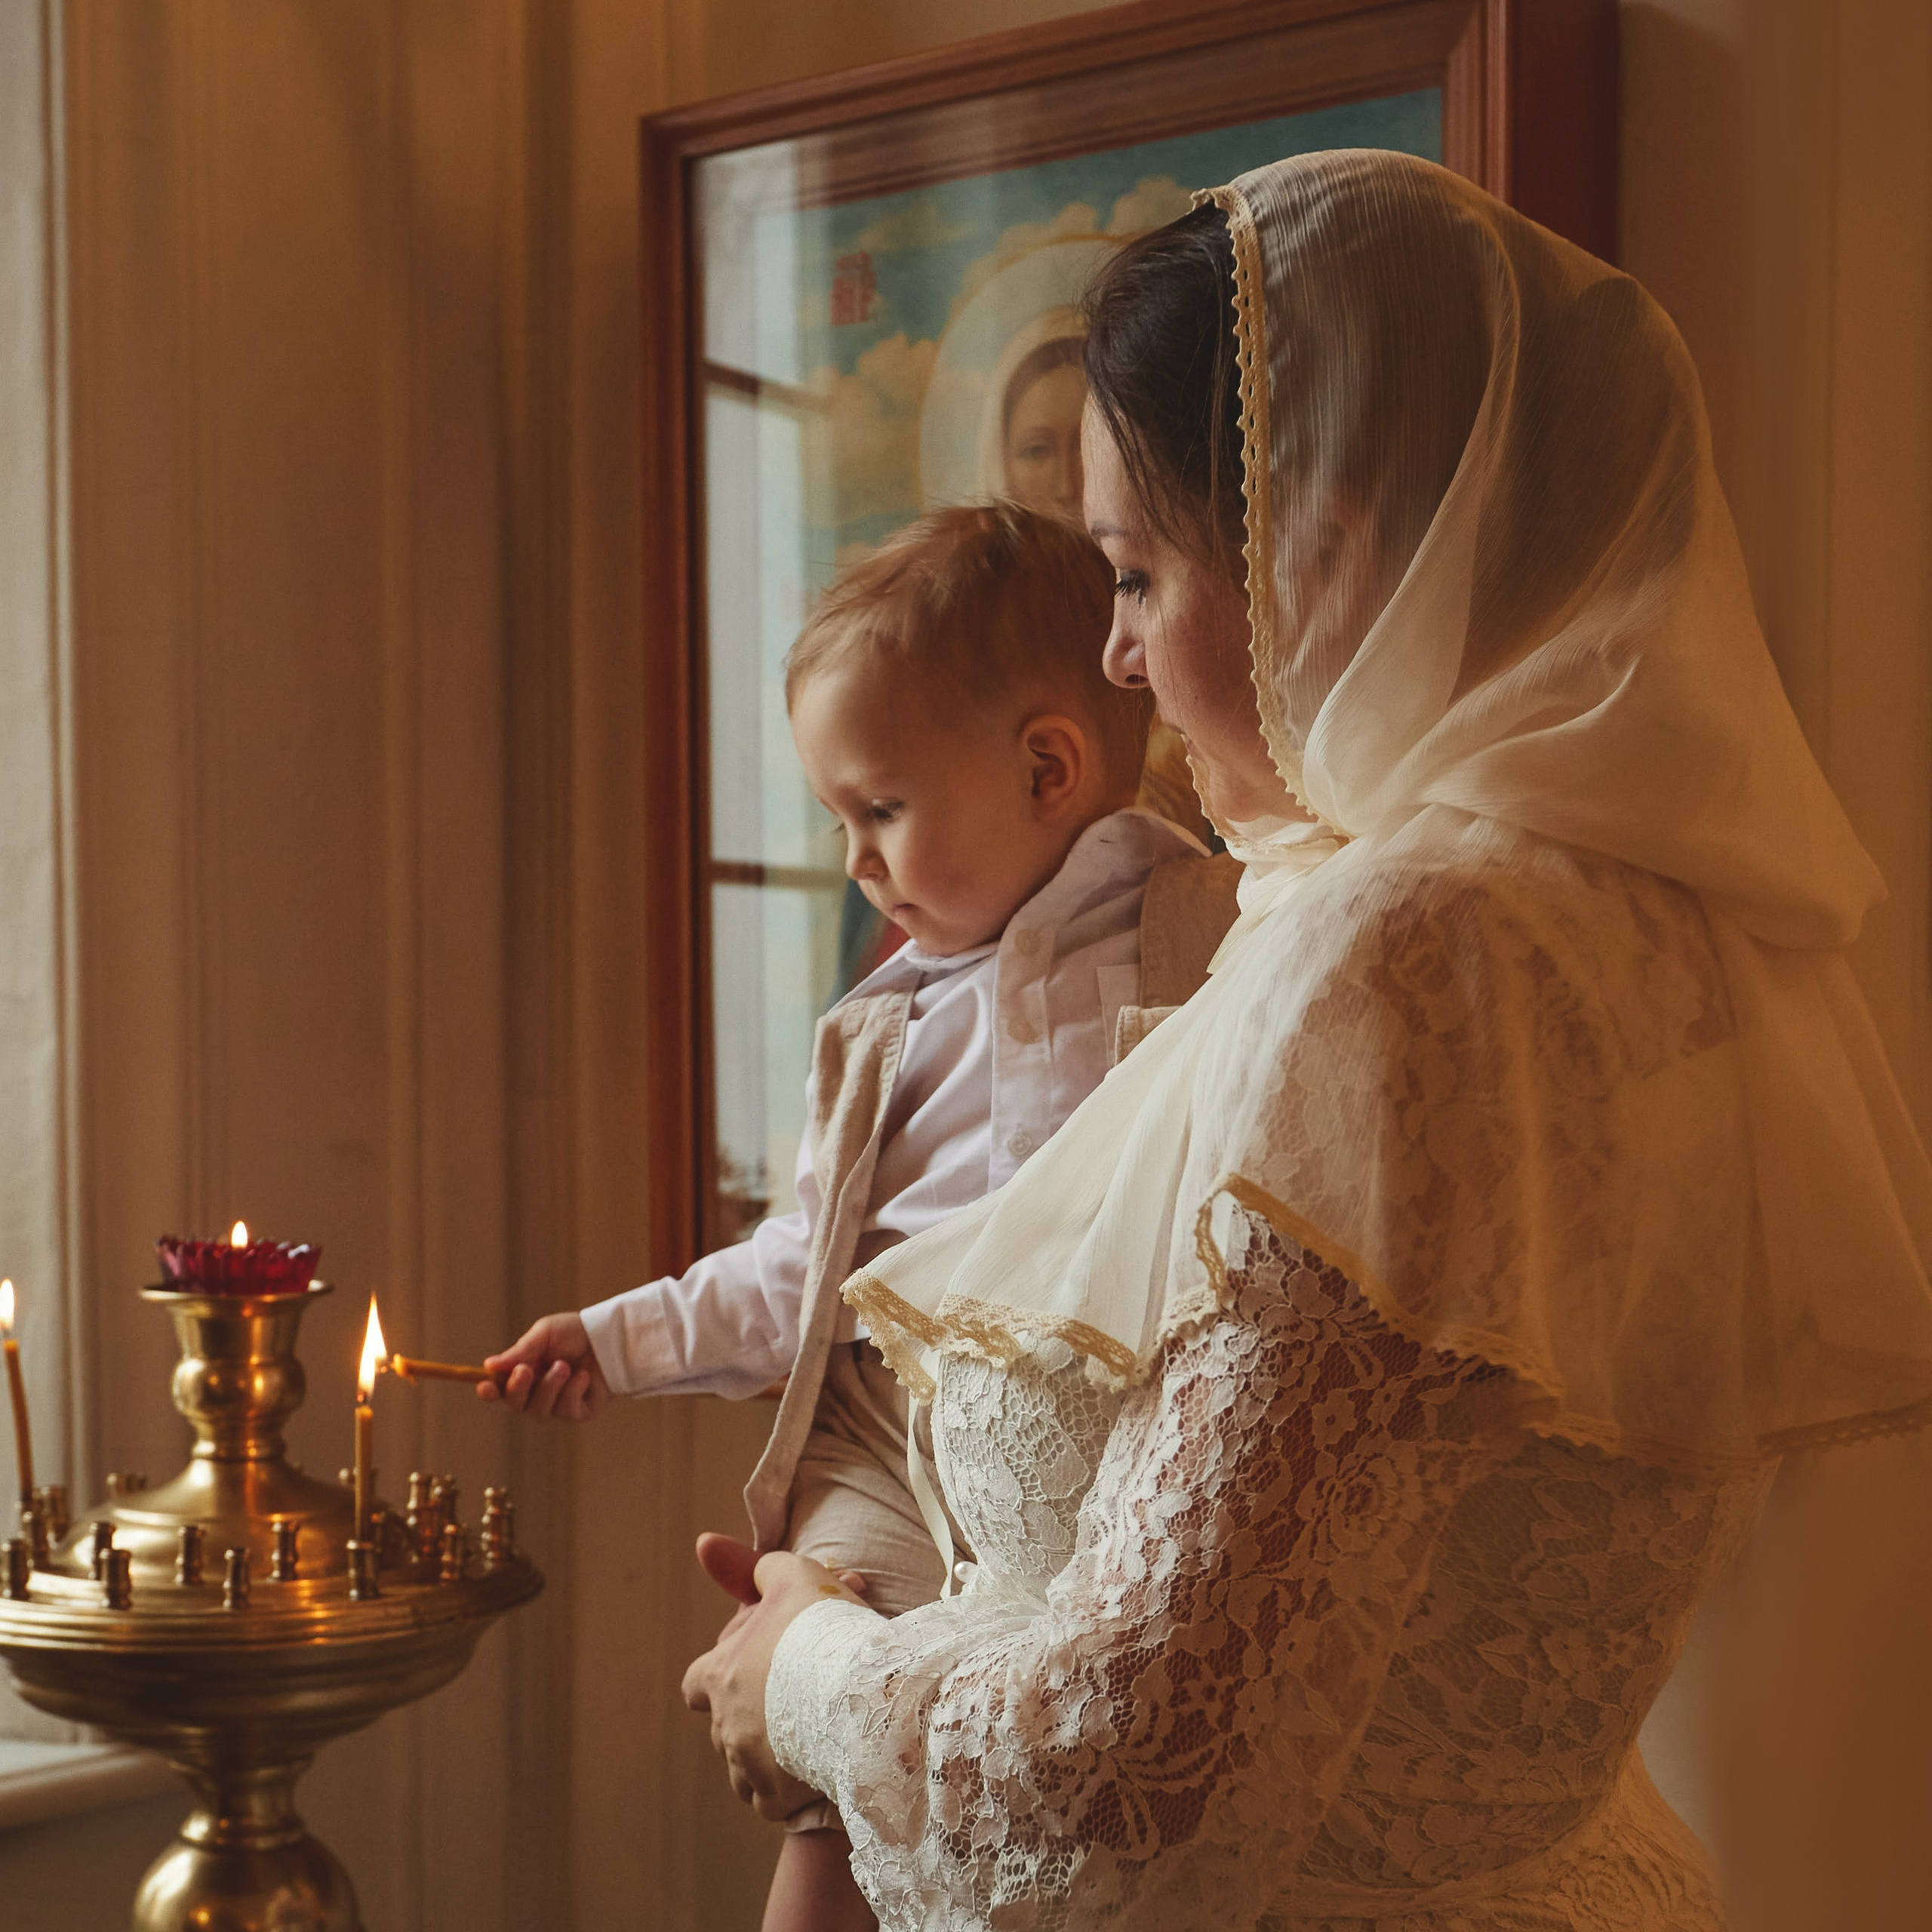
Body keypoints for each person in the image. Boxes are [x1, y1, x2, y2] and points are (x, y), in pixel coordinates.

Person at [680, 151, 1932, 1929]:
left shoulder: (1416, 952)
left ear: (1312, 551)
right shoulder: (1654, 917)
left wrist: (799, 1668)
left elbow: (1141, 1753)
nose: (1116, 657)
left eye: (1130, 574)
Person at [484, 503, 1238, 1932]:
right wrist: (613, 1338)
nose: (856, 864)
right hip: (887, 1439)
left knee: (1068, 1774)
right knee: (838, 1753)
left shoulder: (1209, 925)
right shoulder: (878, 1031)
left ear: (1047, 766)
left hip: (1102, 1434)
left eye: (879, 810)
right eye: (840, 820)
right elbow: (793, 1275)